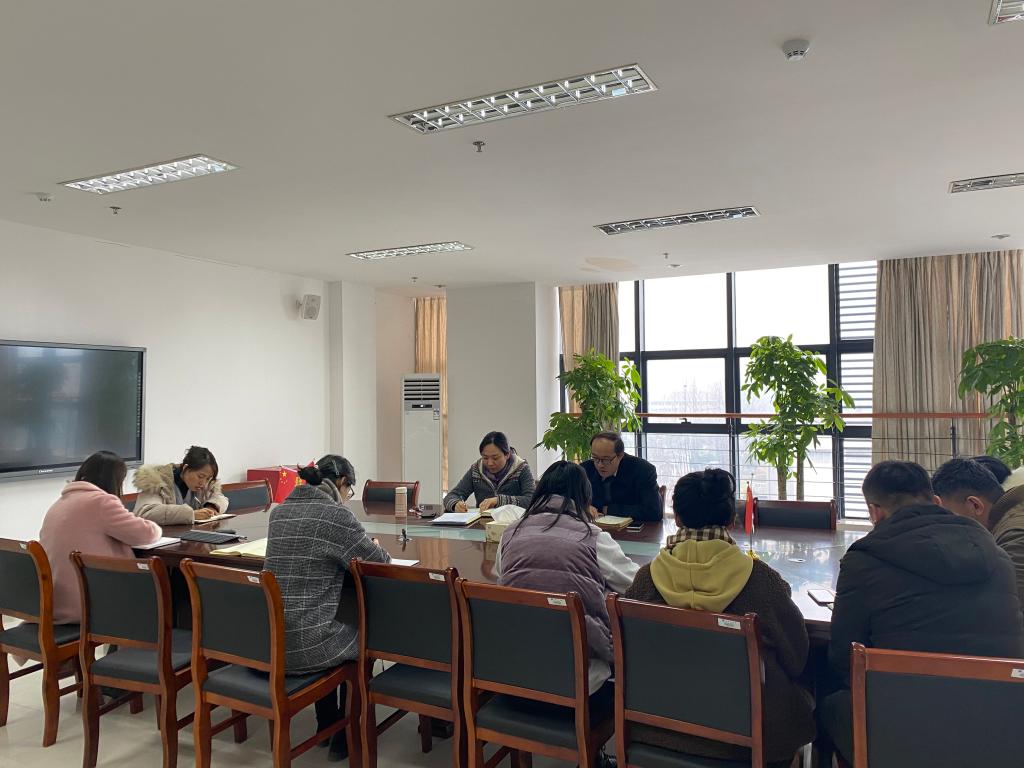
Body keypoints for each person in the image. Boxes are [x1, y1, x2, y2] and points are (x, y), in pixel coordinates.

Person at [820, 460, 1024, 764]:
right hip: (997, 726)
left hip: (902, 729)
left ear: (875, 512)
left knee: (827, 698)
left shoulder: (864, 560)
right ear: (936, 501)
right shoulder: (997, 555)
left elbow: (843, 657)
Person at [625, 469, 814, 766]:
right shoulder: (761, 582)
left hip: (659, 728)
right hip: (749, 739)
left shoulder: (646, 580)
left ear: (677, 518)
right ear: (731, 519)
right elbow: (797, 657)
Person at [264, 454, 390, 761]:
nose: (347, 497)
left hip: (270, 642)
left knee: (324, 617)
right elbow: (379, 563)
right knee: (359, 638)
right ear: (343, 483)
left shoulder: (279, 512)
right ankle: (343, 737)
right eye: (349, 491)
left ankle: (327, 721)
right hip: (307, 646)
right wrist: (374, 545)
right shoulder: (335, 515)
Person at [496, 461, 638, 694]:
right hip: (578, 680)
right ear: (585, 496)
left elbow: (502, 577)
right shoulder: (594, 537)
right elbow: (634, 585)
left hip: (513, 673)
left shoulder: (510, 532)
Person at [38, 451, 162, 624]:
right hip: (87, 603)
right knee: (159, 593)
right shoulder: (101, 502)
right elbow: (147, 533)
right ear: (114, 480)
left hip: (53, 602)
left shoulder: (59, 503)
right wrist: (156, 528)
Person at [933, 457, 1024, 610]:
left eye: (949, 518)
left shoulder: (1014, 535)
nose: (948, 530)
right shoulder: (1013, 516)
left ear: (975, 505)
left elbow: (1006, 608)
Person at [132, 445, 228, 525]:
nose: (203, 483)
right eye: (200, 476)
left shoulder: (205, 484)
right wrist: (191, 514)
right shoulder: (156, 481)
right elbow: (146, 512)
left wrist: (211, 506)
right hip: (162, 537)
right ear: (186, 468)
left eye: (208, 478)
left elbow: (220, 498)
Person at [444, 431, 536, 512]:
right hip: (482, 523)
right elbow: (452, 496)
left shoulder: (521, 468)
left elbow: (532, 500)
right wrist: (455, 504)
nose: (490, 463)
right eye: (485, 458)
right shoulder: (476, 469)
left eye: (495, 458)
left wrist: (498, 500)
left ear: (507, 455)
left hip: (513, 523)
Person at [581, 432, 663, 522]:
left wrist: (607, 509)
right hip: (593, 527)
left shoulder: (643, 470)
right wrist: (584, 507)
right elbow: (570, 500)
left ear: (620, 455)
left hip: (634, 529)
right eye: (595, 458)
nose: (600, 465)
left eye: (606, 459)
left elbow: (654, 511)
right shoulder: (584, 470)